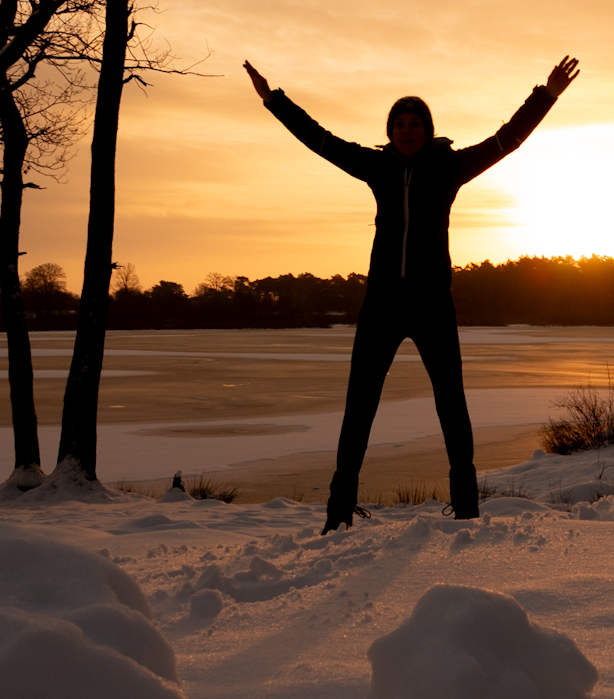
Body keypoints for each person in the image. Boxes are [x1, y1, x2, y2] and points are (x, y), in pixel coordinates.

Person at [244, 56, 581, 533]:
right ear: (391, 131)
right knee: (359, 406)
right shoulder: (377, 167)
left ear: (427, 129)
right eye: (399, 123)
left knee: (452, 406)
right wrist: (274, 100)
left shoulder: (450, 168)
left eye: (414, 122)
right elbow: (320, 140)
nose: (406, 129)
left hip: (432, 305)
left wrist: (545, 96)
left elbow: (506, 140)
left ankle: (466, 509)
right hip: (381, 304)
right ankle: (339, 513)